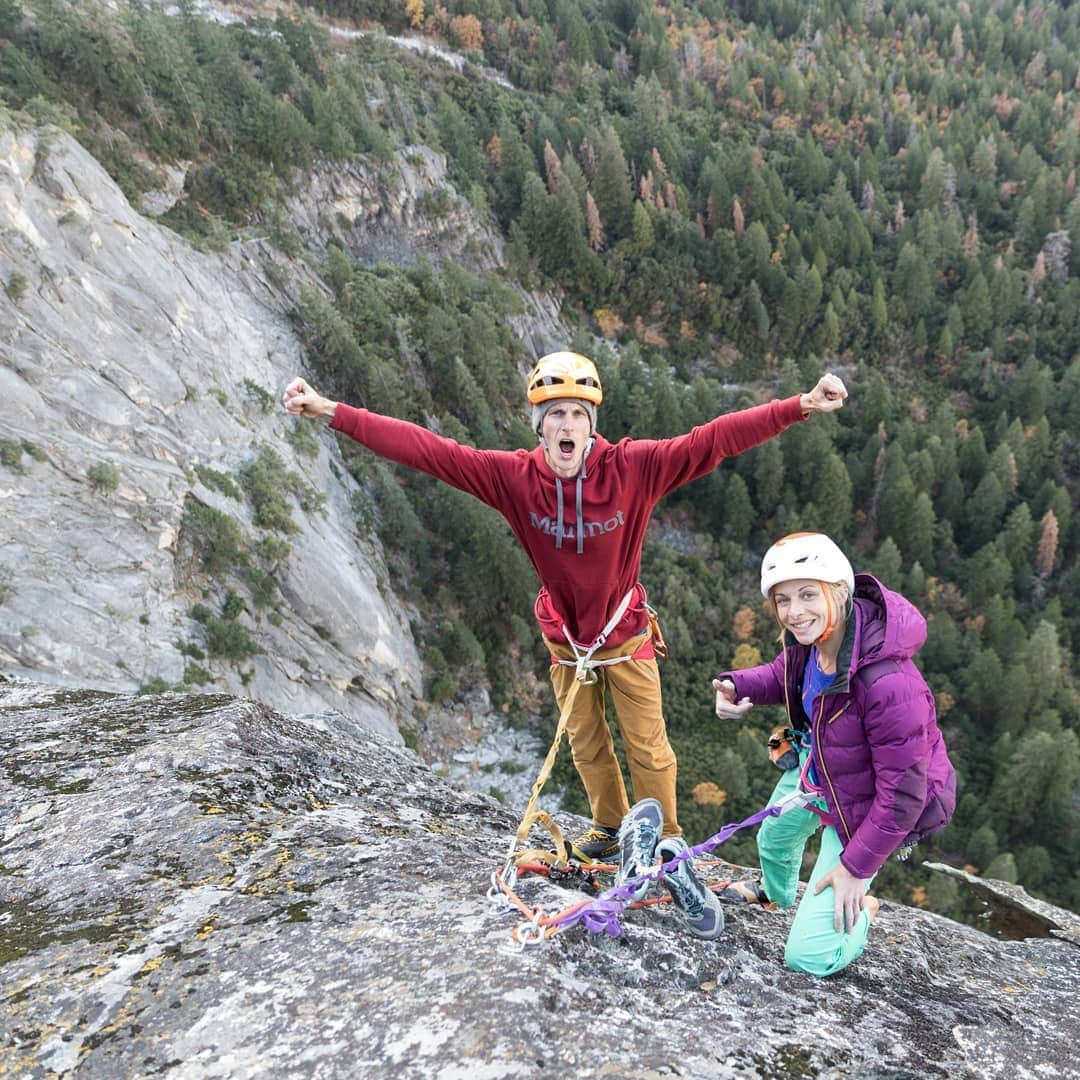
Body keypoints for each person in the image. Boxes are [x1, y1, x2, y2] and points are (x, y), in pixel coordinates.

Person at [283, 353, 847, 862]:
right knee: (585, 741)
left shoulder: (633, 469)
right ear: (540, 426)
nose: (567, 426)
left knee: (647, 743)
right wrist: (332, 411)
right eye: (555, 415)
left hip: (624, 635)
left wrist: (797, 406)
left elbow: (713, 439)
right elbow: (427, 451)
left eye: (578, 414)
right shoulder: (512, 479)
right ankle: (607, 826)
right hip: (566, 641)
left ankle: (666, 836)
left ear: (591, 424)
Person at [712, 532, 956, 977]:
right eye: (783, 600)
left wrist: (855, 869)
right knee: (774, 836)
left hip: (867, 805)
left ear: (839, 592)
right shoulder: (816, 644)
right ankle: (777, 895)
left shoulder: (888, 683)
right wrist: (738, 684)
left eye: (808, 594)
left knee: (807, 959)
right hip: (825, 771)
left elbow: (903, 796)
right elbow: (783, 672)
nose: (794, 612)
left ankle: (863, 914)